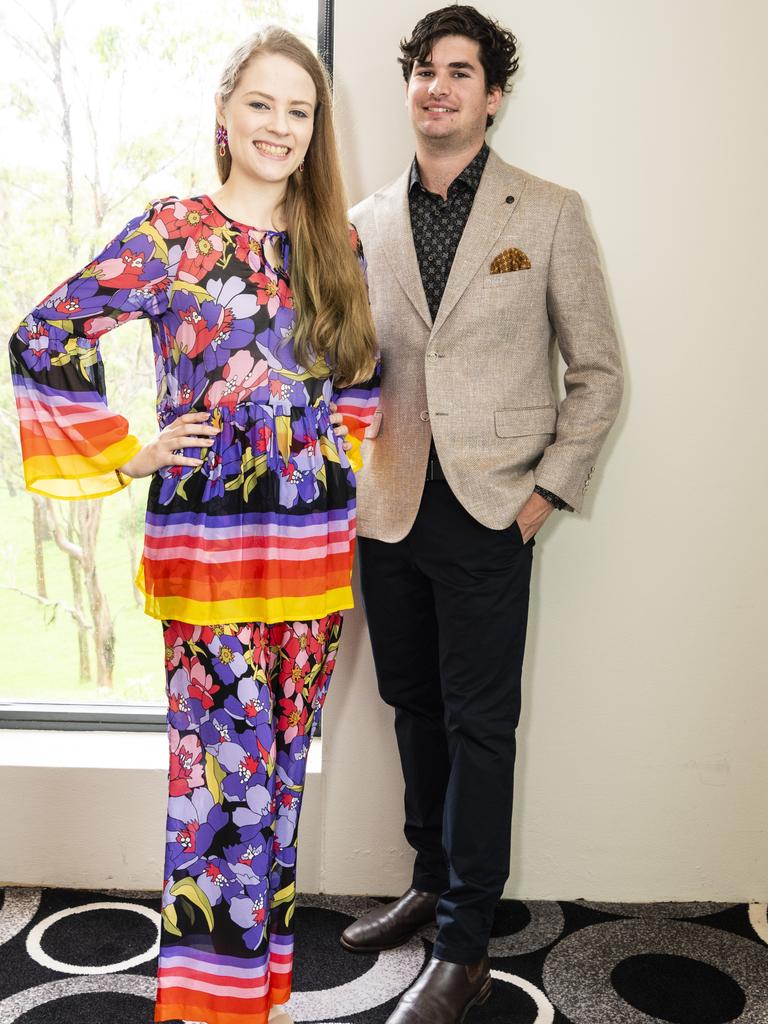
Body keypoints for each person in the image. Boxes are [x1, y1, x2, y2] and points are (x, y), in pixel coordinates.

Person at [9, 26, 378, 1024]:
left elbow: (362, 379)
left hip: (314, 557)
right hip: (207, 558)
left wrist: (329, 457)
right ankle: (208, 1006)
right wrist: (127, 451)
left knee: (277, 781)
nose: (279, 126)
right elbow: (44, 333)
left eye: (299, 111)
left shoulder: (335, 240)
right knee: (221, 787)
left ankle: (258, 991)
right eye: (262, 103)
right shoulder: (169, 234)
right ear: (225, 113)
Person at [340, 6, 623, 1022]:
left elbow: (598, 373)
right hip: (393, 507)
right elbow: (344, 365)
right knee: (411, 705)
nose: (438, 86)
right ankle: (427, 878)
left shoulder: (547, 212)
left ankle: (463, 941)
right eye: (423, 70)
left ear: (493, 95)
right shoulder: (364, 222)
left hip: (494, 512)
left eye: (460, 71)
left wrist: (545, 497)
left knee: (482, 726)